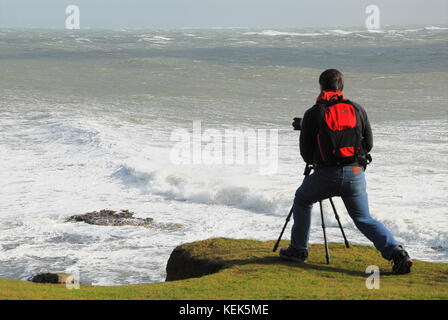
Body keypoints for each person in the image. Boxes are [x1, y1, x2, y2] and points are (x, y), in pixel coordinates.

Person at [279, 69, 412, 274]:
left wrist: (322, 158)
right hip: (355, 174)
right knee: (364, 219)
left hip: (326, 175)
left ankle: (298, 250)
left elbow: (306, 155)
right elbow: (369, 143)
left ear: (321, 86)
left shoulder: (314, 112)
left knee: (303, 200)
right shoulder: (357, 109)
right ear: (341, 87)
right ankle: (397, 253)